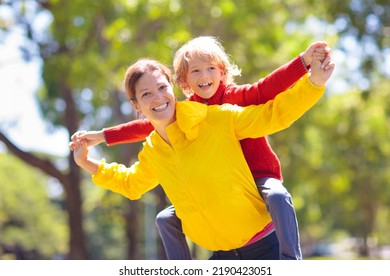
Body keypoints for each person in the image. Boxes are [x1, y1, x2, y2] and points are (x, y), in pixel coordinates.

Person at [72, 36, 331, 260]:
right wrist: (87, 161)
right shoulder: (154, 149)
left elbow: (273, 112)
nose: (158, 98)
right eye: (146, 94)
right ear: (137, 105)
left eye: (162, 88)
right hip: (221, 258)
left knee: (276, 195)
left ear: (173, 90)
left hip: (266, 246)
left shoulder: (218, 117)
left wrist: (312, 82)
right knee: (164, 218)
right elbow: (130, 182)